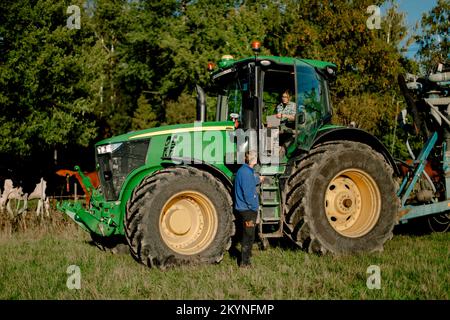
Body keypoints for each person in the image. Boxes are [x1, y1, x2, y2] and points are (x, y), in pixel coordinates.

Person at [234, 150, 263, 267]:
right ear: (253, 160)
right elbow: (247, 193)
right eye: (255, 157)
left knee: (250, 234)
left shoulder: (244, 171)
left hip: (245, 208)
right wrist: (253, 206)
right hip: (247, 209)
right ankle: (244, 263)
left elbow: (249, 182)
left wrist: (258, 180)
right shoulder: (246, 173)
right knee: (248, 235)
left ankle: (248, 256)